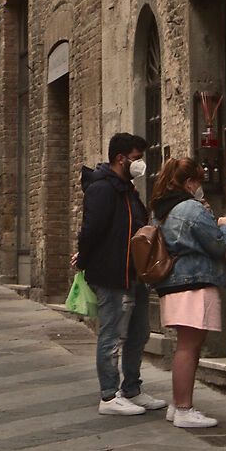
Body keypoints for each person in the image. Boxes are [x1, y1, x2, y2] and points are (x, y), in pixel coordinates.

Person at [76, 131, 163, 417]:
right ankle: (109, 395)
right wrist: (84, 260)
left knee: (138, 333)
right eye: (137, 158)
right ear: (120, 158)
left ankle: (132, 389)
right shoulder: (102, 189)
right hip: (112, 273)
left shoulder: (126, 188)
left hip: (133, 273)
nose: (140, 164)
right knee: (112, 334)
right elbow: (91, 230)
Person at [151, 156, 226, 430]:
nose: (201, 186)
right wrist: (225, 226)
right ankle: (184, 408)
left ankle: (178, 404)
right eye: (198, 181)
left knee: (185, 345)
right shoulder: (191, 209)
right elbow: (218, 245)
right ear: (189, 182)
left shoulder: (161, 209)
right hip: (193, 282)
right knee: (189, 346)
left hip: (173, 283)